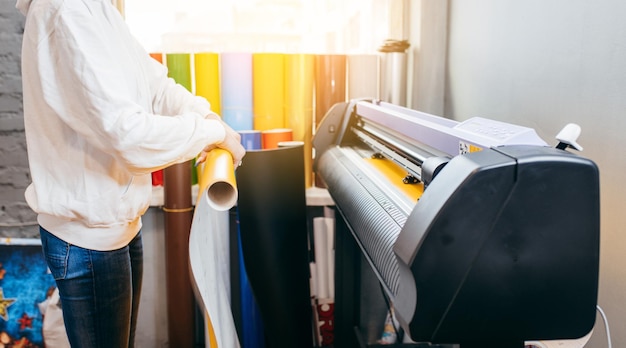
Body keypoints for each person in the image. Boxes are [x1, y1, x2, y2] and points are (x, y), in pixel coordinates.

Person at [16, 0, 245, 347]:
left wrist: (207, 118)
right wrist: (210, 134)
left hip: (117, 226)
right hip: (88, 239)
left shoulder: (99, 8)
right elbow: (127, 135)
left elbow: (154, 85)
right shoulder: (66, 11)